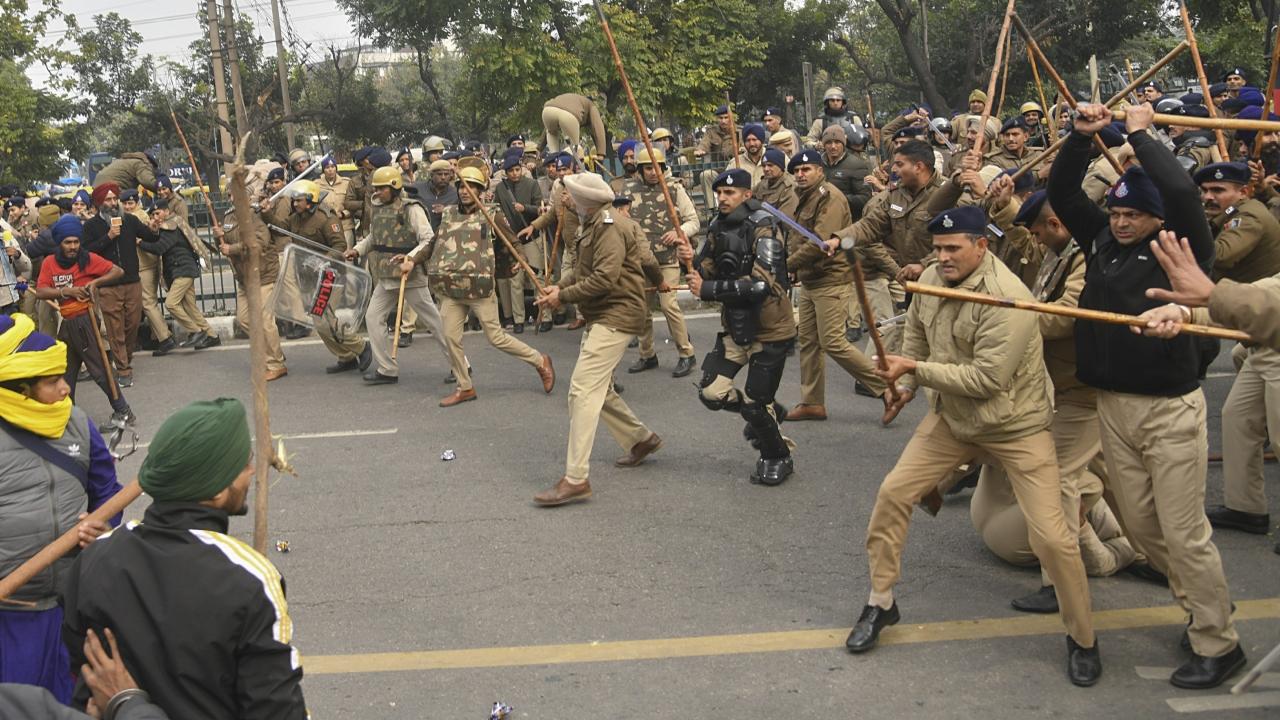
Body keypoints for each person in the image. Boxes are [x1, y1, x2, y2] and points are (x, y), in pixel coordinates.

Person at [847, 205, 1101, 687]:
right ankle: (881, 602)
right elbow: (918, 343)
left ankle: (1083, 637)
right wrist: (906, 386)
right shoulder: (928, 280)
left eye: (952, 248)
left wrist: (913, 371)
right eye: (937, 248)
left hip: (1016, 427)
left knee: (1052, 537)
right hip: (952, 421)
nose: (941, 257)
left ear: (981, 246)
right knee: (893, 494)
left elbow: (986, 379)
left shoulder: (1009, 297)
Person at [1049, 102, 1245, 689]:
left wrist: (1139, 132)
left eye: (1135, 213)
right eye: (1117, 210)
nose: (1122, 220)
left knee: (1184, 533)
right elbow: (1064, 194)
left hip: (1169, 410)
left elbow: (1182, 190)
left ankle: (1217, 638)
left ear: (1157, 219)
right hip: (1112, 405)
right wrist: (1081, 139)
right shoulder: (1102, 244)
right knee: (1142, 529)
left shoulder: (1182, 246)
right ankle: (1206, 602)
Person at [60, 398, 308, 719]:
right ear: (217, 490)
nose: (251, 472)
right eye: (243, 464)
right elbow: (277, 710)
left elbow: (84, 673)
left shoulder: (95, 557)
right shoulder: (250, 580)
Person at [0, 314, 120, 703]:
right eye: (52, 382)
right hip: (11, 617)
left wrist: (103, 525)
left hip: (73, 613)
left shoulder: (79, 425)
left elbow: (108, 492)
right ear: (18, 389)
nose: (66, 389)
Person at [532, 173, 663, 505]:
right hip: (603, 312)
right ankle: (640, 439)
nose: (567, 200)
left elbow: (604, 279)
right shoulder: (594, 222)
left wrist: (562, 298)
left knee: (581, 390)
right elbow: (585, 270)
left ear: (583, 200)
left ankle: (576, 478)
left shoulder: (608, 226)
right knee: (598, 390)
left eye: (571, 195)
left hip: (615, 314)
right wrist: (560, 288)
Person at [683, 168, 797, 485]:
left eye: (730, 193)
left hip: (771, 329)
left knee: (754, 404)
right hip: (735, 327)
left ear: (747, 194)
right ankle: (767, 412)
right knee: (710, 394)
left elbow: (761, 284)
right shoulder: (718, 226)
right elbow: (707, 267)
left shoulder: (765, 226)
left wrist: (708, 290)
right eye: (719, 193)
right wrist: (692, 261)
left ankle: (777, 456)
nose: (722, 198)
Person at [783, 149, 899, 423]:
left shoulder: (830, 198)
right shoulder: (806, 197)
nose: (800, 175)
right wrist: (796, 268)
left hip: (831, 279)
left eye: (806, 169)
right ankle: (812, 402)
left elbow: (820, 242)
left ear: (820, 170)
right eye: (797, 171)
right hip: (812, 279)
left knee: (833, 341)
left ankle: (889, 389)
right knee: (809, 342)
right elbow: (801, 239)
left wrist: (787, 265)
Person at [425, 165, 555, 406]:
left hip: (479, 287)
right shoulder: (449, 214)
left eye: (472, 187)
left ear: (481, 190)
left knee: (496, 338)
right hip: (452, 287)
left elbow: (512, 240)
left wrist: (521, 258)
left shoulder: (491, 214)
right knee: (450, 336)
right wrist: (411, 260)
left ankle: (540, 361)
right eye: (463, 187)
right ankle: (465, 386)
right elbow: (433, 242)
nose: (466, 192)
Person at [344, 166, 449, 385]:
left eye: (382, 189)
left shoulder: (411, 209)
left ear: (394, 187)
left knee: (434, 322)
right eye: (376, 188)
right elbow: (374, 238)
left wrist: (409, 259)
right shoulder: (378, 208)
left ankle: (461, 364)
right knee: (373, 317)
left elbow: (428, 239)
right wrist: (357, 249)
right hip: (386, 275)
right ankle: (387, 369)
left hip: (410, 276)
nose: (378, 192)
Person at [34, 215, 134, 426]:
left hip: (85, 320)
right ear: (59, 243)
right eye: (68, 242)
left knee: (99, 370)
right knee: (66, 371)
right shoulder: (50, 263)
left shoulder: (88, 259)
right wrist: (65, 291)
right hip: (68, 323)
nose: (73, 247)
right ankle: (67, 416)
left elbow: (118, 271)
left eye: (76, 242)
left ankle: (123, 411)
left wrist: (96, 283)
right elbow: (41, 291)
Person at [625, 147, 700, 378]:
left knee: (669, 305)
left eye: (658, 167)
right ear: (640, 169)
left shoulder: (674, 189)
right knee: (642, 309)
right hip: (641, 260)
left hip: (667, 260)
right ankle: (647, 354)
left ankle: (686, 353)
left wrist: (679, 233)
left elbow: (693, 220)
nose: (653, 172)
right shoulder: (627, 190)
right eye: (648, 168)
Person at [81, 183, 148, 388]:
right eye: (107, 200)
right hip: (108, 285)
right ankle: (123, 369)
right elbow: (86, 254)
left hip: (132, 282)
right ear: (100, 203)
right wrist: (108, 237)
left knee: (133, 324)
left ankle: (124, 358)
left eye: (114, 199)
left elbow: (151, 236)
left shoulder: (130, 220)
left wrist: (154, 227)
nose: (112, 203)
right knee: (115, 328)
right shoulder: (91, 227)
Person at [215, 205, 287, 381]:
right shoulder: (229, 217)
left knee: (264, 320)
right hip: (244, 277)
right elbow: (226, 242)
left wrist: (231, 249)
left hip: (262, 273)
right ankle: (269, 354)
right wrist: (219, 237)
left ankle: (276, 363)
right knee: (244, 319)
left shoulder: (255, 216)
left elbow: (259, 243)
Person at [136, 200, 218, 351]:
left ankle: (196, 331)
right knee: (190, 307)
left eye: (158, 213)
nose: (155, 217)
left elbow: (160, 248)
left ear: (167, 211)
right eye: (153, 214)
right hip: (182, 270)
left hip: (183, 270)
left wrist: (140, 243)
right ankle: (212, 335)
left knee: (171, 304)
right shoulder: (170, 225)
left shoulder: (170, 226)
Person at [1194, 162, 1280, 282]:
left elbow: (1220, 256)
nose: (1208, 197)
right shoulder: (1230, 211)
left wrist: (1189, 226)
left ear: (1243, 193)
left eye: (1217, 190)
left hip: (1252, 296)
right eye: (1204, 190)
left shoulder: (1249, 216)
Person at [494, 148, 543, 334]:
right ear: (505, 172)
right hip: (512, 240)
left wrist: (526, 208)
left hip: (531, 237)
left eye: (517, 170)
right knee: (516, 281)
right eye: (510, 171)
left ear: (521, 169)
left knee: (537, 276)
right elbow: (497, 210)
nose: (514, 173)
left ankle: (543, 316)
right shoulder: (500, 188)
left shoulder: (532, 184)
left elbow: (541, 209)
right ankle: (519, 320)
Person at [821, 125, 873, 219]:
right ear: (824, 145)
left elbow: (865, 198)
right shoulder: (817, 164)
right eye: (829, 142)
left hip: (847, 220)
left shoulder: (857, 165)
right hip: (822, 218)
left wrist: (836, 198)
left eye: (837, 142)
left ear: (843, 144)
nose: (833, 146)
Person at [542, 93, 608, 157]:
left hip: (547, 111)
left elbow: (547, 128)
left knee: (551, 134)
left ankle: (554, 161)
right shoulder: (591, 105)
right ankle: (567, 163)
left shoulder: (575, 99)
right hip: (568, 115)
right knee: (574, 150)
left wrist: (539, 148)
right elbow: (598, 128)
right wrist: (601, 154)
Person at [751, 148, 798, 218]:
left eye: (770, 165)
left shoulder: (789, 188)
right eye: (764, 166)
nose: (766, 169)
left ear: (780, 166)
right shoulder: (764, 182)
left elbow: (784, 220)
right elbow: (750, 197)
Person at [92, 153, 159, 193]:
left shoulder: (126, 160)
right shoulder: (142, 164)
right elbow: (148, 181)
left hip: (97, 185)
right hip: (111, 188)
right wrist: (162, 189)